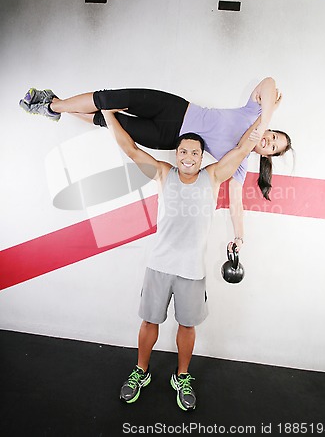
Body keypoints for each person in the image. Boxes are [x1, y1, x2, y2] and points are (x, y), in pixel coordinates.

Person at [100, 106, 261, 411]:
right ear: (176, 154)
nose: (188, 157)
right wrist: (108, 115)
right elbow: (131, 150)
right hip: (159, 265)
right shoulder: (163, 173)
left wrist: (265, 115)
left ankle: (181, 377)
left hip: (191, 271)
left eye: (195, 152)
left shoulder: (213, 176)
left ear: (203, 157)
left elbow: (242, 148)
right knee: (150, 321)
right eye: (183, 151)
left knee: (187, 326)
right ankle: (141, 372)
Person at [19, 78, 292, 252]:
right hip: (176, 108)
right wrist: (265, 119)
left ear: (267, 156)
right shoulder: (253, 113)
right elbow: (268, 83)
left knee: (111, 121)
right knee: (109, 98)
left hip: (170, 137)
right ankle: (54, 106)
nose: (269, 139)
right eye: (274, 136)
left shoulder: (241, 162)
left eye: (273, 146)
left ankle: (51, 105)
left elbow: (236, 205)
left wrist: (240, 238)